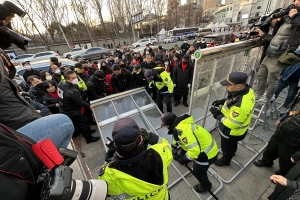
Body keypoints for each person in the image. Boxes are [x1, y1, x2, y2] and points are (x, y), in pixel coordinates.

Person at [98, 117, 172, 199]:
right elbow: (167, 147)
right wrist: (151, 137)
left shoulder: (107, 175)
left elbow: (104, 189)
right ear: (141, 138)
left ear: (115, 145)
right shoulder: (160, 155)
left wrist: (108, 160)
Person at [161, 112, 218, 193]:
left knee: (198, 171)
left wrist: (184, 159)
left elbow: (194, 150)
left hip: (207, 154)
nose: (164, 127)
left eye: (164, 124)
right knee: (185, 156)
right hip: (203, 147)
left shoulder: (183, 131)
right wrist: (173, 147)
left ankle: (206, 186)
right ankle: (184, 158)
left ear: (168, 124)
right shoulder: (179, 125)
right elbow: (178, 138)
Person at [255, 3, 300, 104]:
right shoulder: (286, 21)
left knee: (272, 79)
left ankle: (267, 97)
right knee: (261, 74)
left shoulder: (296, 22)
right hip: (271, 52)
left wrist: (294, 16)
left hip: (279, 55)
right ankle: (258, 93)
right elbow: (276, 36)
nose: (294, 5)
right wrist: (279, 19)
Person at [210, 72, 255, 166]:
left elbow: (233, 124)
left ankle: (226, 160)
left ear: (238, 86)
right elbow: (234, 99)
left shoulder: (240, 106)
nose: (227, 87)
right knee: (232, 145)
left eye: (229, 85)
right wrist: (224, 101)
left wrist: (218, 115)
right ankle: (232, 153)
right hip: (238, 131)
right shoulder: (247, 90)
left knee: (226, 147)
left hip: (231, 132)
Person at [253, 90, 300, 176]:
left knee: (285, 161)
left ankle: (281, 175)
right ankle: (266, 161)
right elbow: (294, 109)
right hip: (281, 130)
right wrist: (282, 118)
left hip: (293, 141)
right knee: (270, 150)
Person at [58, 70, 100, 144]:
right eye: (73, 78)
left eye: (76, 77)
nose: (76, 79)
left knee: (81, 123)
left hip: (64, 108)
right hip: (72, 111)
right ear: (67, 79)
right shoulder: (72, 91)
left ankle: (88, 131)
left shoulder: (61, 84)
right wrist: (89, 105)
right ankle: (89, 138)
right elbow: (80, 102)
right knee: (82, 123)